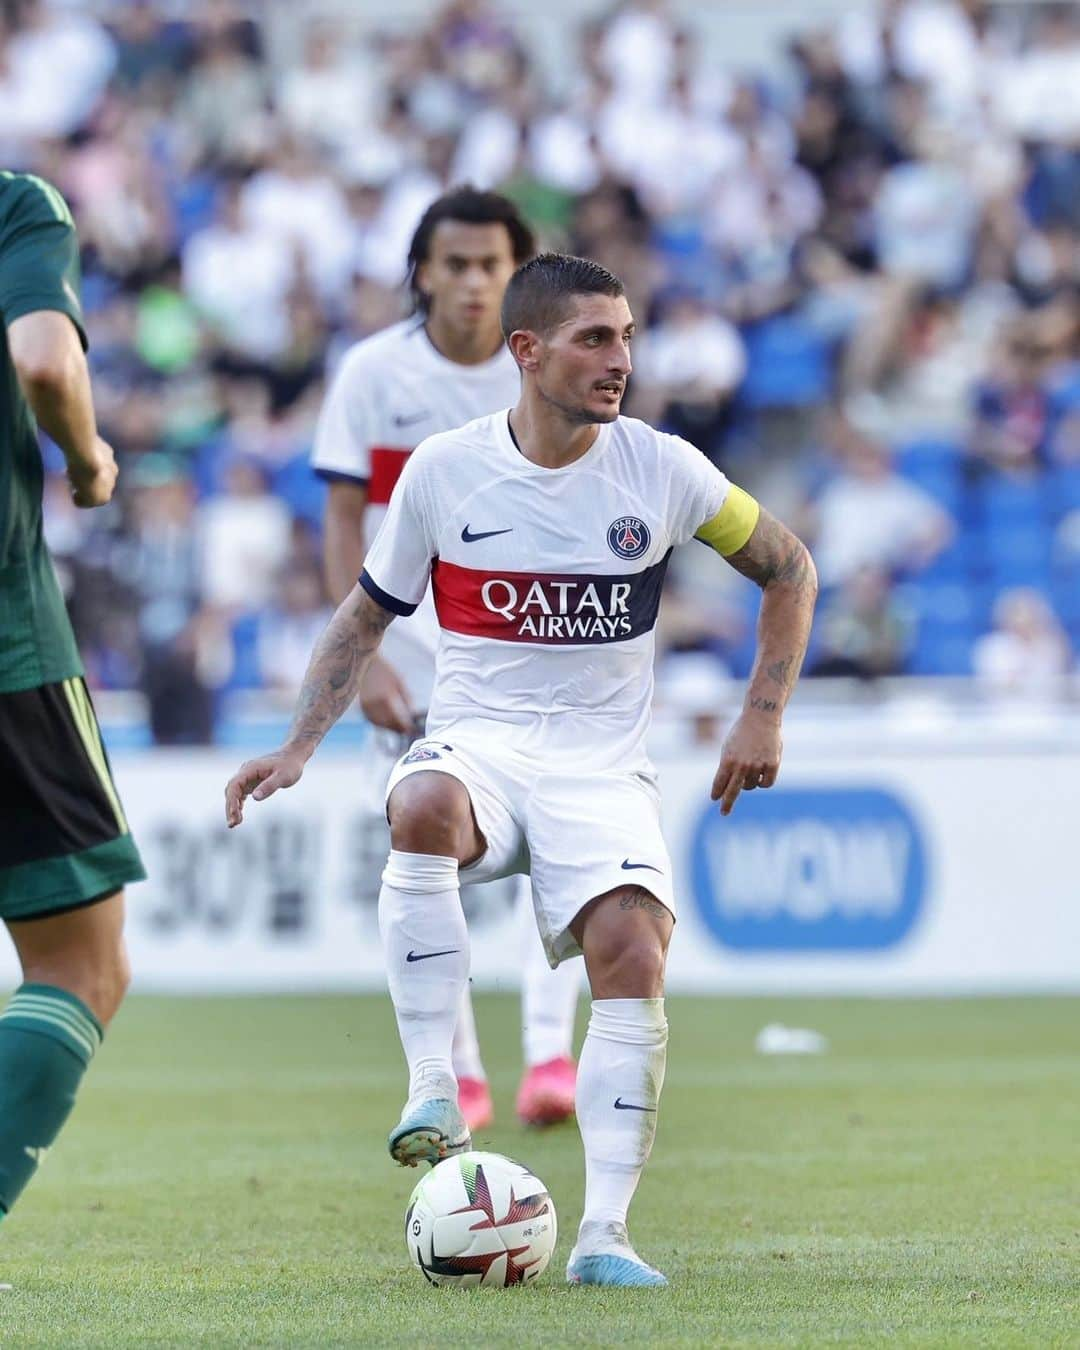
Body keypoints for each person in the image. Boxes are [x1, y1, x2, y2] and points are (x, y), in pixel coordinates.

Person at [225, 253, 817, 1287]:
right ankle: (434, 1087)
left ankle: (605, 1238)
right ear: (528, 351)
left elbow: (790, 568)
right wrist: (299, 744)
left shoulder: (665, 469)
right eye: (596, 338)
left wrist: (762, 717)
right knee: (419, 799)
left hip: (602, 769)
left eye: (629, 335)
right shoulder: (444, 472)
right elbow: (366, 616)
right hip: (484, 741)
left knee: (634, 951)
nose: (620, 358)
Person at [310, 186, 583, 1131]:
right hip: (417, 666)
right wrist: (366, 663)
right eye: (455, 264)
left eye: (492, 266)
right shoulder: (370, 376)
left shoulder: (550, 371)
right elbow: (343, 521)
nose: (473, 283)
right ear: (421, 272)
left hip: (534, 654)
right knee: (434, 868)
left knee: (567, 850)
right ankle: (460, 1073)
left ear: (519, 278)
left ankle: (550, 1059)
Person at [0, 171, 145, 1228]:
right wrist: (90, 461)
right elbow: (44, 357)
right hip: (8, 652)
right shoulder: (16, 206)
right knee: (78, 965)